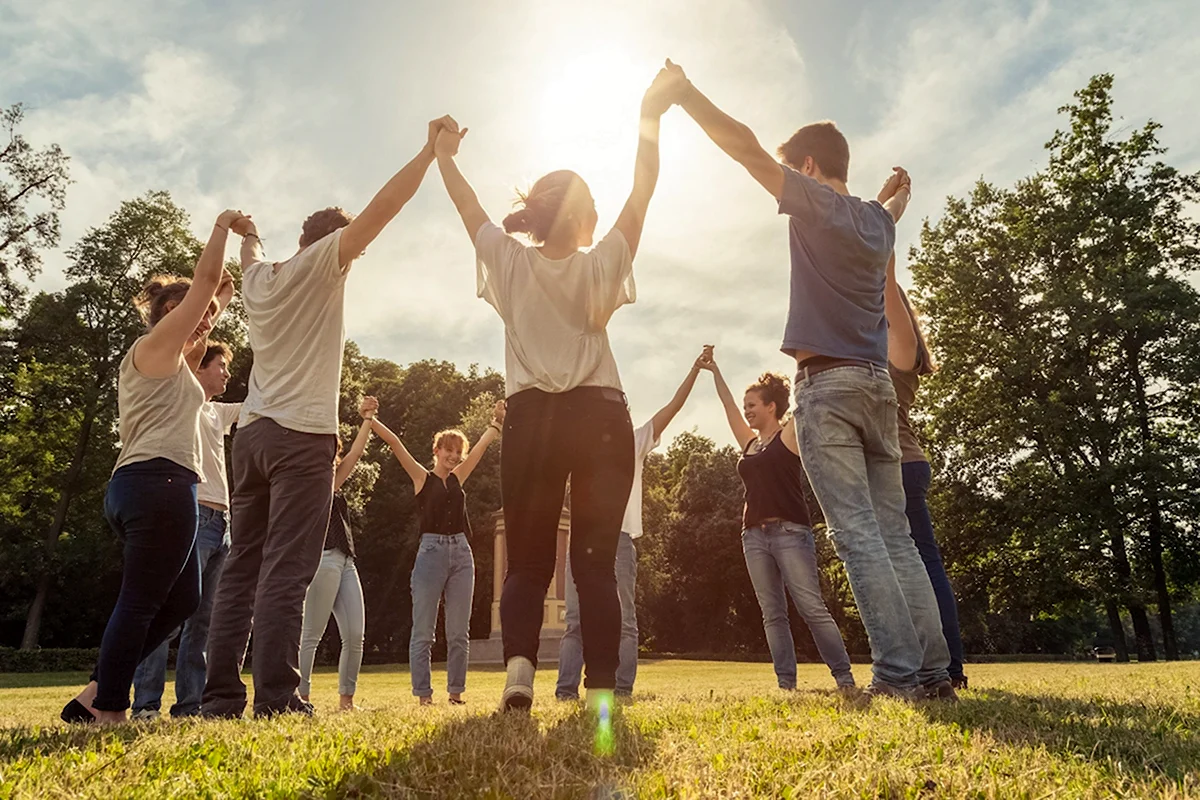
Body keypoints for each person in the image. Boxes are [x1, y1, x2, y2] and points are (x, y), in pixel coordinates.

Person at [664, 58, 953, 699]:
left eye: (794, 169)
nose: (788, 181)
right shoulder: (877, 223)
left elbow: (742, 147)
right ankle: (934, 673)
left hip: (826, 388)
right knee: (897, 536)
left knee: (856, 537)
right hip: (879, 388)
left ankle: (900, 677)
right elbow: (890, 206)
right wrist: (896, 190)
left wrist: (687, 94)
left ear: (812, 169)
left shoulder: (815, 201)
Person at [433, 67, 682, 711]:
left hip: (531, 420)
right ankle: (601, 691)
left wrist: (443, 155)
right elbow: (645, 188)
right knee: (595, 562)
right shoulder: (602, 264)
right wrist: (650, 112)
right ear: (585, 216)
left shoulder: (511, 263)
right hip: (600, 417)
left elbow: (468, 209)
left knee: (527, 559)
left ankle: (519, 673)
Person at [202, 118, 454, 719]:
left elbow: (252, 251)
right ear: (339, 244)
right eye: (353, 247)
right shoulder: (327, 262)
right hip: (301, 437)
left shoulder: (261, 278)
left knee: (242, 566)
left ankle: (218, 697)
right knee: (287, 568)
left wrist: (248, 230)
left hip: (254, 437)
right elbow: (385, 207)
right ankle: (278, 699)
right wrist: (427, 152)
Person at [61, 209, 244, 724]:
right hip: (156, 482)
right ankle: (111, 709)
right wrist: (223, 227)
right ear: (167, 311)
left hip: (157, 484)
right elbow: (207, 284)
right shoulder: (153, 347)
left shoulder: (175, 364)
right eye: (191, 310)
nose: (202, 320)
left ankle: (97, 692)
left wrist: (216, 302)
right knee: (140, 602)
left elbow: (214, 298)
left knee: (182, 599)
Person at [555, 350, 707, 701]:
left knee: (623, 620)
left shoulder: (634, 441)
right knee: (575, 621)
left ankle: (620, 689)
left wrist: (694, 370)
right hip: (582, 542)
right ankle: (565, 691)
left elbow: (673, 407)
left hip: (619, 541)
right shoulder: (576, 448)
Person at [700, 350, 855, 691]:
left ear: (771, 406)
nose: (746, 410)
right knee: (773, 614)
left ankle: (844, 678)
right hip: (753, 537)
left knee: (811, 607)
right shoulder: (750, 443)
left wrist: (810, 359)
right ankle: (786, 683)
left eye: (753, 404)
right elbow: (727, 408)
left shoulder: (788, 436)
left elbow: (803, 399)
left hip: (790, 532)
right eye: (746, 406)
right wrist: (714, 372)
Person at [130, 341, 241, 720]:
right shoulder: (185, 403)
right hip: (191, 516)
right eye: (221, 365)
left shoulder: (217, 412)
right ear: (200, 368)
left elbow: (260, 403)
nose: (227, 372)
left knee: (203, 622)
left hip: (222, 524)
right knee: (168, 613)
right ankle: (146, 704)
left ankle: (190, 705)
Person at [369, 400, 506, 705]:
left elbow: (482, 447)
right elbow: (395, 443)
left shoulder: (459, 478)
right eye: (449, 451)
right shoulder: (422, 478)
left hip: (461, 554)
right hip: (430, 554)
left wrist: (496, 423)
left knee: (459, 632)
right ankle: (424, 696)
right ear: (437, 451)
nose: (455, 457)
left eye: (459, 452)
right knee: (424, 632)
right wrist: (371, 418)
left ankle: (456, 694)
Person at [884, 254, 967, 689]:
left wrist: (881, 234)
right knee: (912, 568)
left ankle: (950, 668)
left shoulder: (901, 350)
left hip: (902, 466)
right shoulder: (886, 351)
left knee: (923, 567)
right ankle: (932, 664)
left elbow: (886, 282)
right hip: (900, 467)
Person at [298, 396, 379, 712]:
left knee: (356, 633)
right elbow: (356, 455)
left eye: (335, 452)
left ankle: (346, 701)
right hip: (323, 560)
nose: (335, 456)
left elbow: (356, 453)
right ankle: (300, 697)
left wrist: (368, 419)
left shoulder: (334, 480)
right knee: (311, 635)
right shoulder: (312, 484)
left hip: (346, 561)